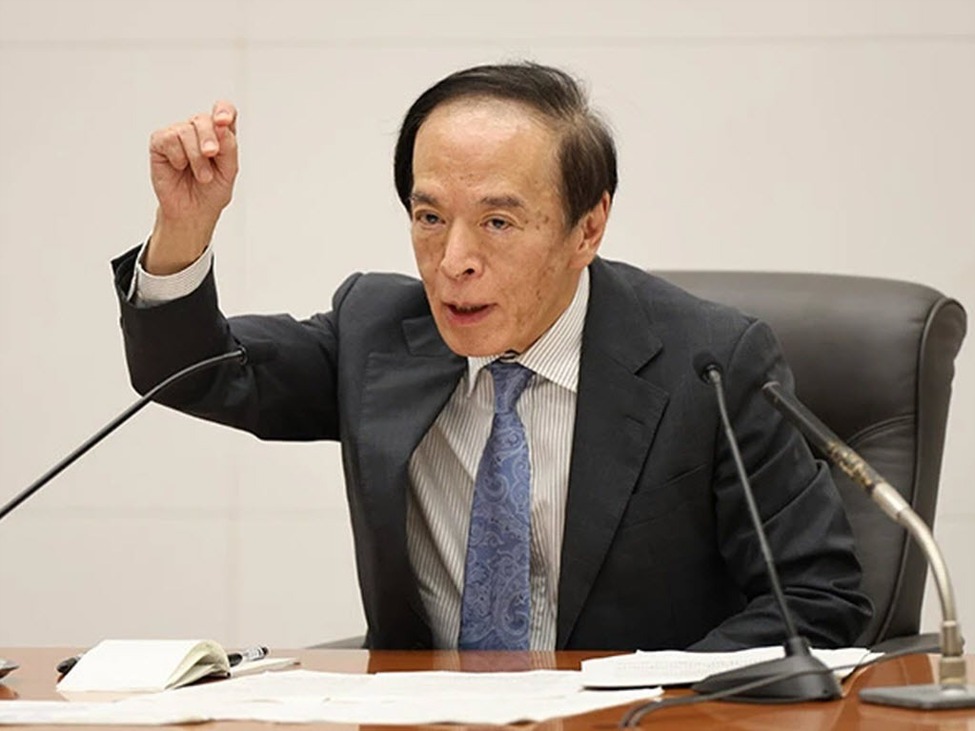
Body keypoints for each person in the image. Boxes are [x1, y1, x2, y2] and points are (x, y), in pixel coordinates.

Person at [112, 62, 871, 651]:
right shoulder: (377, 332)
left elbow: (817, 602)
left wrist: (635, 703)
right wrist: (184, 228)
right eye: (429, 217)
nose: (454, 261)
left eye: (498, 222)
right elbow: (193, 372)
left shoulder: (709, 365)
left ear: (587, 227)